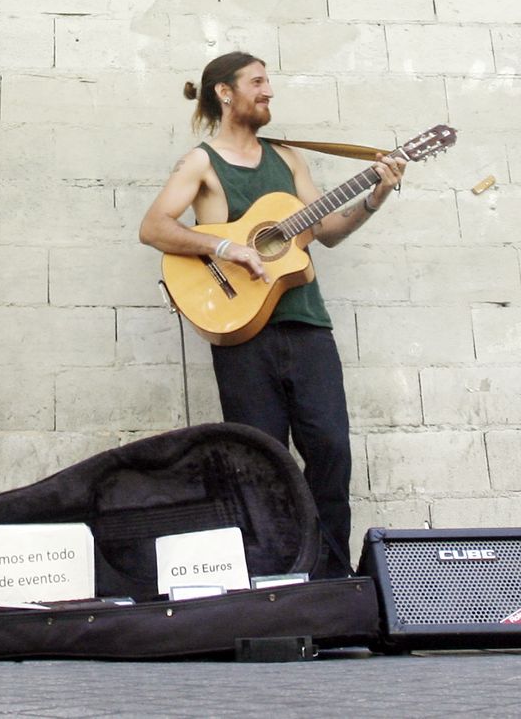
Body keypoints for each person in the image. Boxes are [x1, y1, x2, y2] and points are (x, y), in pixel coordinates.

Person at [138, 51, 405, 579]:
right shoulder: (201, 162)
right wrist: (223, 246)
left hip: (307, 325)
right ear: (225, 92)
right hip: (242, 336)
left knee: (331, 448)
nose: (269, 91)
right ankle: (274, 579)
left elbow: (326, 231)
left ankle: (329, 583)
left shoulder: (289, 159)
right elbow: (154, 228)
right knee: (259, 462)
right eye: (257, 82)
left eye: (268, 82)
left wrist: (375, 195)